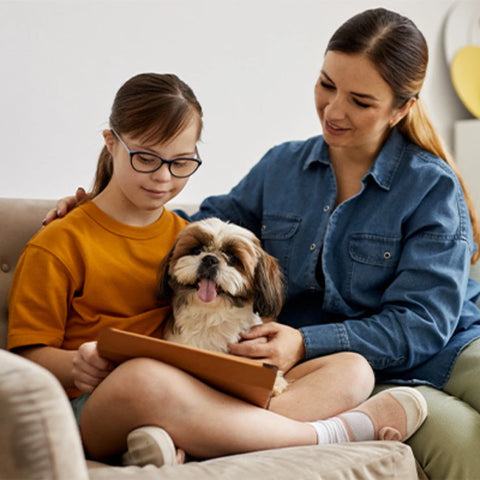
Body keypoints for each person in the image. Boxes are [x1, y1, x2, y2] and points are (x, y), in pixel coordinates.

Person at [7, 71, 427, 466]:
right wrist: (79, 364)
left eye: (181, 163)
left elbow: (231, 255)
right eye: (146, 159)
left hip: (196, 385)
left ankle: (198, 439)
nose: (163, 179)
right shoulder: (59, 242)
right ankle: (327, 435)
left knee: (351, 367)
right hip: (97, 399)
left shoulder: (182, 233)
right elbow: (26, 356)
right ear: (111, 143)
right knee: (144, 379)